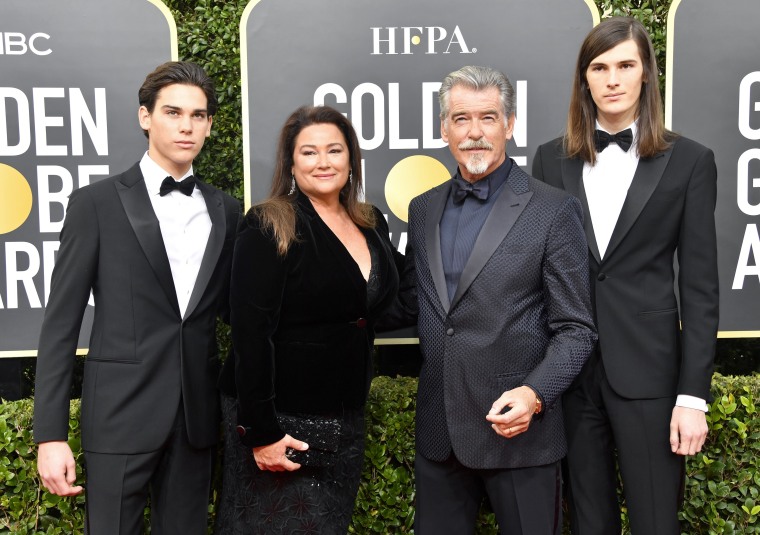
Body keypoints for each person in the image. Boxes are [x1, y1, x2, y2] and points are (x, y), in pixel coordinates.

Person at [384, 65, 596, 534]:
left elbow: (576, 330)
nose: (474, 133)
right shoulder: (424, 209)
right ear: (444, 129)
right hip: (440, 435)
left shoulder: (552, 209)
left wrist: (534, 394)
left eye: (488, 118)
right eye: (461, 119)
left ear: (510, 125)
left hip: (520, 434)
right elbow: (419, 303)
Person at [34, 61, 241, 534]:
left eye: (198, 115)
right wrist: (50, 435)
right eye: (173, 112)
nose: (186, 125)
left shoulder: (226, 210)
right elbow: (60, 326)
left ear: (209, 124)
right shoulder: (96, 204)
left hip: (196, 421)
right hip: (119, 416)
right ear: (145, 116)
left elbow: (235, 313)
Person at [532, 17, 719, 535]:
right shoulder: (550, 159)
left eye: (625, 65)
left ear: (645, 75)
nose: (612, 78)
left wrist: (692, 397)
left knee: (657, 522)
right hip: (570, 376)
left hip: (651, 376)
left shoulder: (691, 161)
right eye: (599, 67)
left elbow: (701, 290)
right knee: (588, 523)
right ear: (584, 79)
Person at [214, 105, 400, 534]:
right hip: (281, 418)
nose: (323, 162)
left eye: (334, 150)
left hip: (344, 416)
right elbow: (250, 333)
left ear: (351, 159)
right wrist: (260, 432)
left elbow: (383, 301)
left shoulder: (370, 223)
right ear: (291, 163)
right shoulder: (268, 223)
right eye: (309, 152)